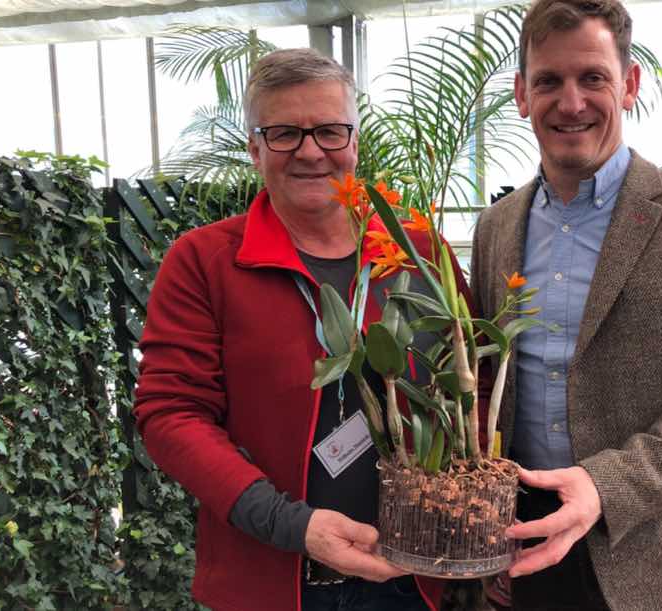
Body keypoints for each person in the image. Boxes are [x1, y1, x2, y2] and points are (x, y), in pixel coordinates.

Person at [470, 1, 662, 609]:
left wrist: (606, 485)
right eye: (548, 81)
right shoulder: (496, 228)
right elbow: (488, 381)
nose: (571, 103)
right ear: (521, 94)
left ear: (629, 84)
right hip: (528, 547)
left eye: (592, 78)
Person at [134, 48, 454, 611]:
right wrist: (290, 524)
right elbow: (171, 413)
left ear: (355, 141)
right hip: (272, 582)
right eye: (284, 133)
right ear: (255, 148)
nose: (310, 152)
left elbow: (470, 379)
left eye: (330, 131)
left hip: (413, 579)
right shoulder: (206, 261)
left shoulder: (416, 251)